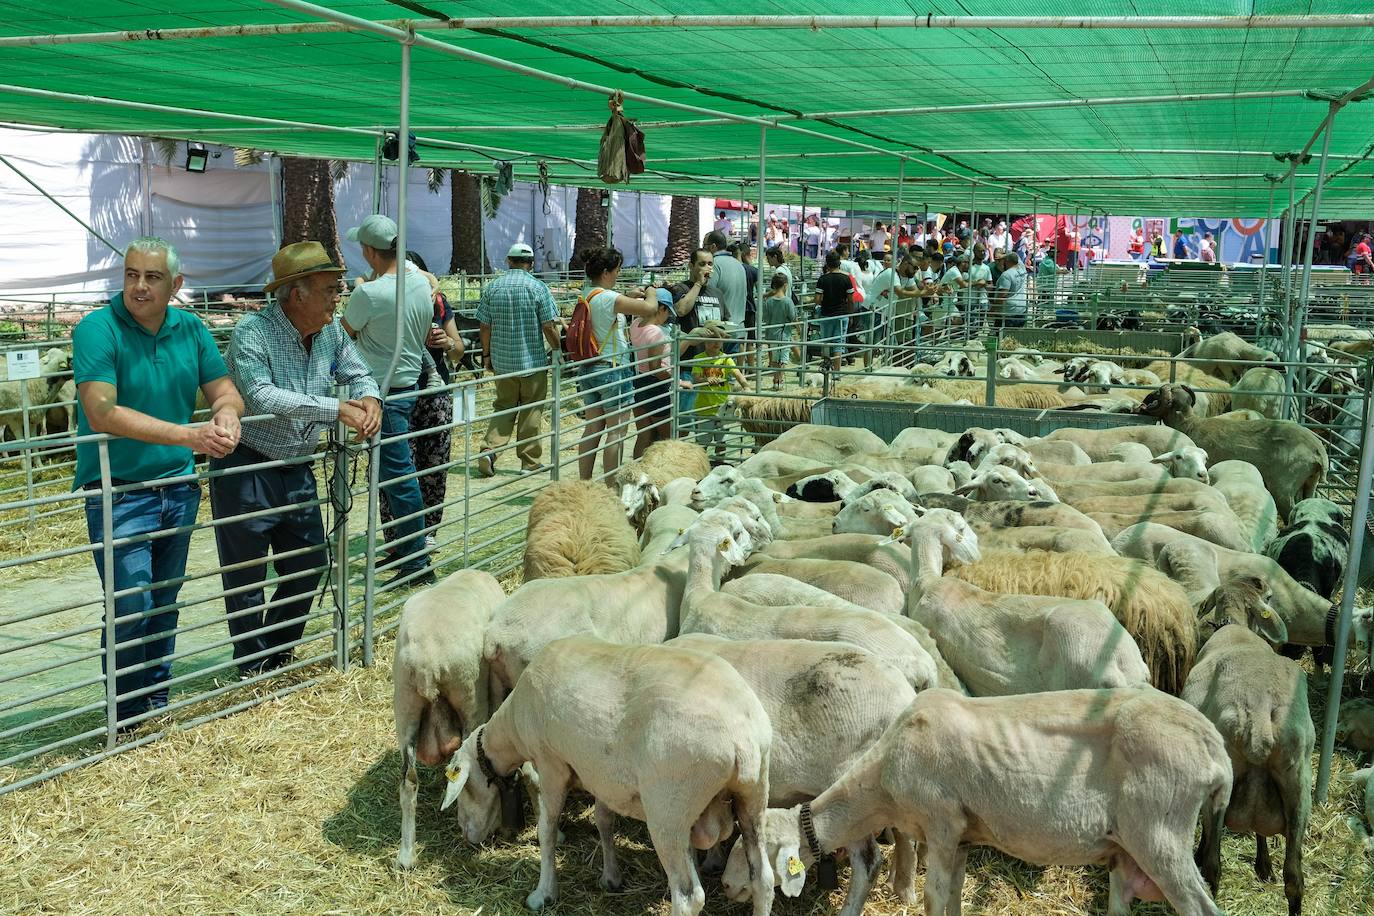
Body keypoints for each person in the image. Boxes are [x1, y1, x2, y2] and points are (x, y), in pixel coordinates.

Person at [72, 237, 244, 733]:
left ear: (176, 285)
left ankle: (155, 703)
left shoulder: (190, 328)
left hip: (178, 487)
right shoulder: (97, 329)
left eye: (152, 277)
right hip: (119, 491)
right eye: (131, 275)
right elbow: (101, 411)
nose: (139, 287)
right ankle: (124, 717)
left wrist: (226, 414)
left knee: (165, 598)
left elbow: (224, 388)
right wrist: (189, 435)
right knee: (131, 602)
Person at [211, 241, 381, 679]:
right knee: (246, 576)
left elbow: (357, 369)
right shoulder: (253, 331)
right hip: (247, 466)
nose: (336, 297)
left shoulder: (329, 332)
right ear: (297, 293)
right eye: (328, 289)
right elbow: (260, 394)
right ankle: (253, 668)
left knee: (308, 563)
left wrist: (368, 396)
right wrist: (335, 409)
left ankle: (278, 656)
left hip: (298, 466)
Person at [340, 214, 432, 582]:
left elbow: (342, 333)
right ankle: (407, 551)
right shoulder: (418, 280)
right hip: (408, 383)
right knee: (398, 474)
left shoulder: (369, 293)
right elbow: (431, 281)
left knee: (399, 477)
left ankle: (416, 561)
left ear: (367, 251)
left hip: (381, 393)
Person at [381, 250, 463, 550]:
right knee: (400, 465)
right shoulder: (384, 301)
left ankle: (427, 532)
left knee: (433, 465)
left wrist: (448, 342)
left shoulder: (439, 304)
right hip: (397, 391)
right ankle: (397, 538)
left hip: (435, 393)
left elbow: (459, 349)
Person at [573, 247, 659, 480]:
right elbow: (650, 308)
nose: (619, 274)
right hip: (612, 368)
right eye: (617, 270)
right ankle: (611, 485)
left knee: (592, 428)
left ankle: (585, 482)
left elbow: (608, 305)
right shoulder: (610, 298)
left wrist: (627, 295)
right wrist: (651, 290)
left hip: (589, 366)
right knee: (617, 430)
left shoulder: (587, 293)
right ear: (606, 272)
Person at [475, 242, 560, 477]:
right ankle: (529, 462)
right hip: (532, 363)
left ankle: (489, 451)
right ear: (530, 264)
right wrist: (558, 348)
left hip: (503, 363)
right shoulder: (538, 287)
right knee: (531, 411)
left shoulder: (493, 287)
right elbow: (548, 326)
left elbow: (484, 325)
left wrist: (487, 355)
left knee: (503, 407)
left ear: (509, 261)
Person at [668, 248, 724, 415]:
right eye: (702, 264)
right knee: (686, 418)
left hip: (712, 365)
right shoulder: (681, 288)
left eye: (710, 264)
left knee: (709, 415)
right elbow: (681, 310)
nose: (707, 268)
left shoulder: (717, 293)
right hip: (688, 367)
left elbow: (723, 321)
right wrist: (698, 284)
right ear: (691, 266)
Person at [685, 323, 748, 461]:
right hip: (705, 408)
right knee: (703, 442)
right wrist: (706, 378)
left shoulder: (726, 358)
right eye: (712, 339)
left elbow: (736, 372)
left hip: (723, 407)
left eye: (719, 340)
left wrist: (745, 385)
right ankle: (700, 464)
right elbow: (695, 378)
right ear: (704, 341)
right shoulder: (699, 358)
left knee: (722, 440)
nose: (716, 343)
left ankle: (719, 463)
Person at [627, 288, 676, 457]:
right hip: (656, 385)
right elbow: (655, 367)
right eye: (668, 311)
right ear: (661, 308)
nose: (668, 316)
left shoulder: (635, 325)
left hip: (638, 382)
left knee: (644, 434)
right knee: (666, 436)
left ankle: (636, 471)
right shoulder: (656, 332)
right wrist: (674, 380)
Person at [703, 230, 747, 353]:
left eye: (704, 246)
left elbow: (707, 293)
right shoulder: (739, 265)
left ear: (713, 246)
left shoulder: (714, 265)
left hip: (720, 331)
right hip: (738, 328)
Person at [813, 249, 853, 371]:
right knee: (838, 344)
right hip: (842, 314)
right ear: (839, 263)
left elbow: (817, 299)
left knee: (826, 343)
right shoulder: (846, 279)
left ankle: (826, 371)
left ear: (827, 264)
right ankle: (837, 373)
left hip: (826, 314)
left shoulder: (823, 279)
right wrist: (850, 314)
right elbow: (851, 300)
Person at [759, 272, 799, 388]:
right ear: (785, 285)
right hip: (783, 334)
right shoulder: (787, 301)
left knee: (775, 359)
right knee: (782, 359)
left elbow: (765, 318)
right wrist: (799, 328)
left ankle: (776, 381)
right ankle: (779, 381)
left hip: (771, 333)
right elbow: (792, 317)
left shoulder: (768, 301)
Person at [992, 252, 1029, 328]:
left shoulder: (1006, 275)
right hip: (1021, 309)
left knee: (1003, 336)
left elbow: (1003, 294)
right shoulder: (1022, 270)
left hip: (1008, 312)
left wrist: (993, 308)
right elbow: (1015, 256)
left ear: (1007, 261)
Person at [968, 246, 993, 325]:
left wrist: (984, 284)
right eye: (980, 251)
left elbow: (990, 285)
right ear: (975, 252)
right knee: (971, 326)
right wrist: (977, 283)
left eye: (983, 251)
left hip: (983, 300)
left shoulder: (986, 268)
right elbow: (964, 282)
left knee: (980, 326)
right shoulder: (969, 267)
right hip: (970, 300)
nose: (982, 253)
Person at [1037, 246, 1062, 310]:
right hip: (1045, 286)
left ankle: (1041, 314)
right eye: (1054, 253)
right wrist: (1063, 271)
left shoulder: (1049, 261)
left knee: (1044, 301)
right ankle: (1040, 315)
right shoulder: (1048, 261)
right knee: (1044, 302)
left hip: (1047, 286)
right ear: (1050, 253)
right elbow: (1053, 270)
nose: (1057, 255)